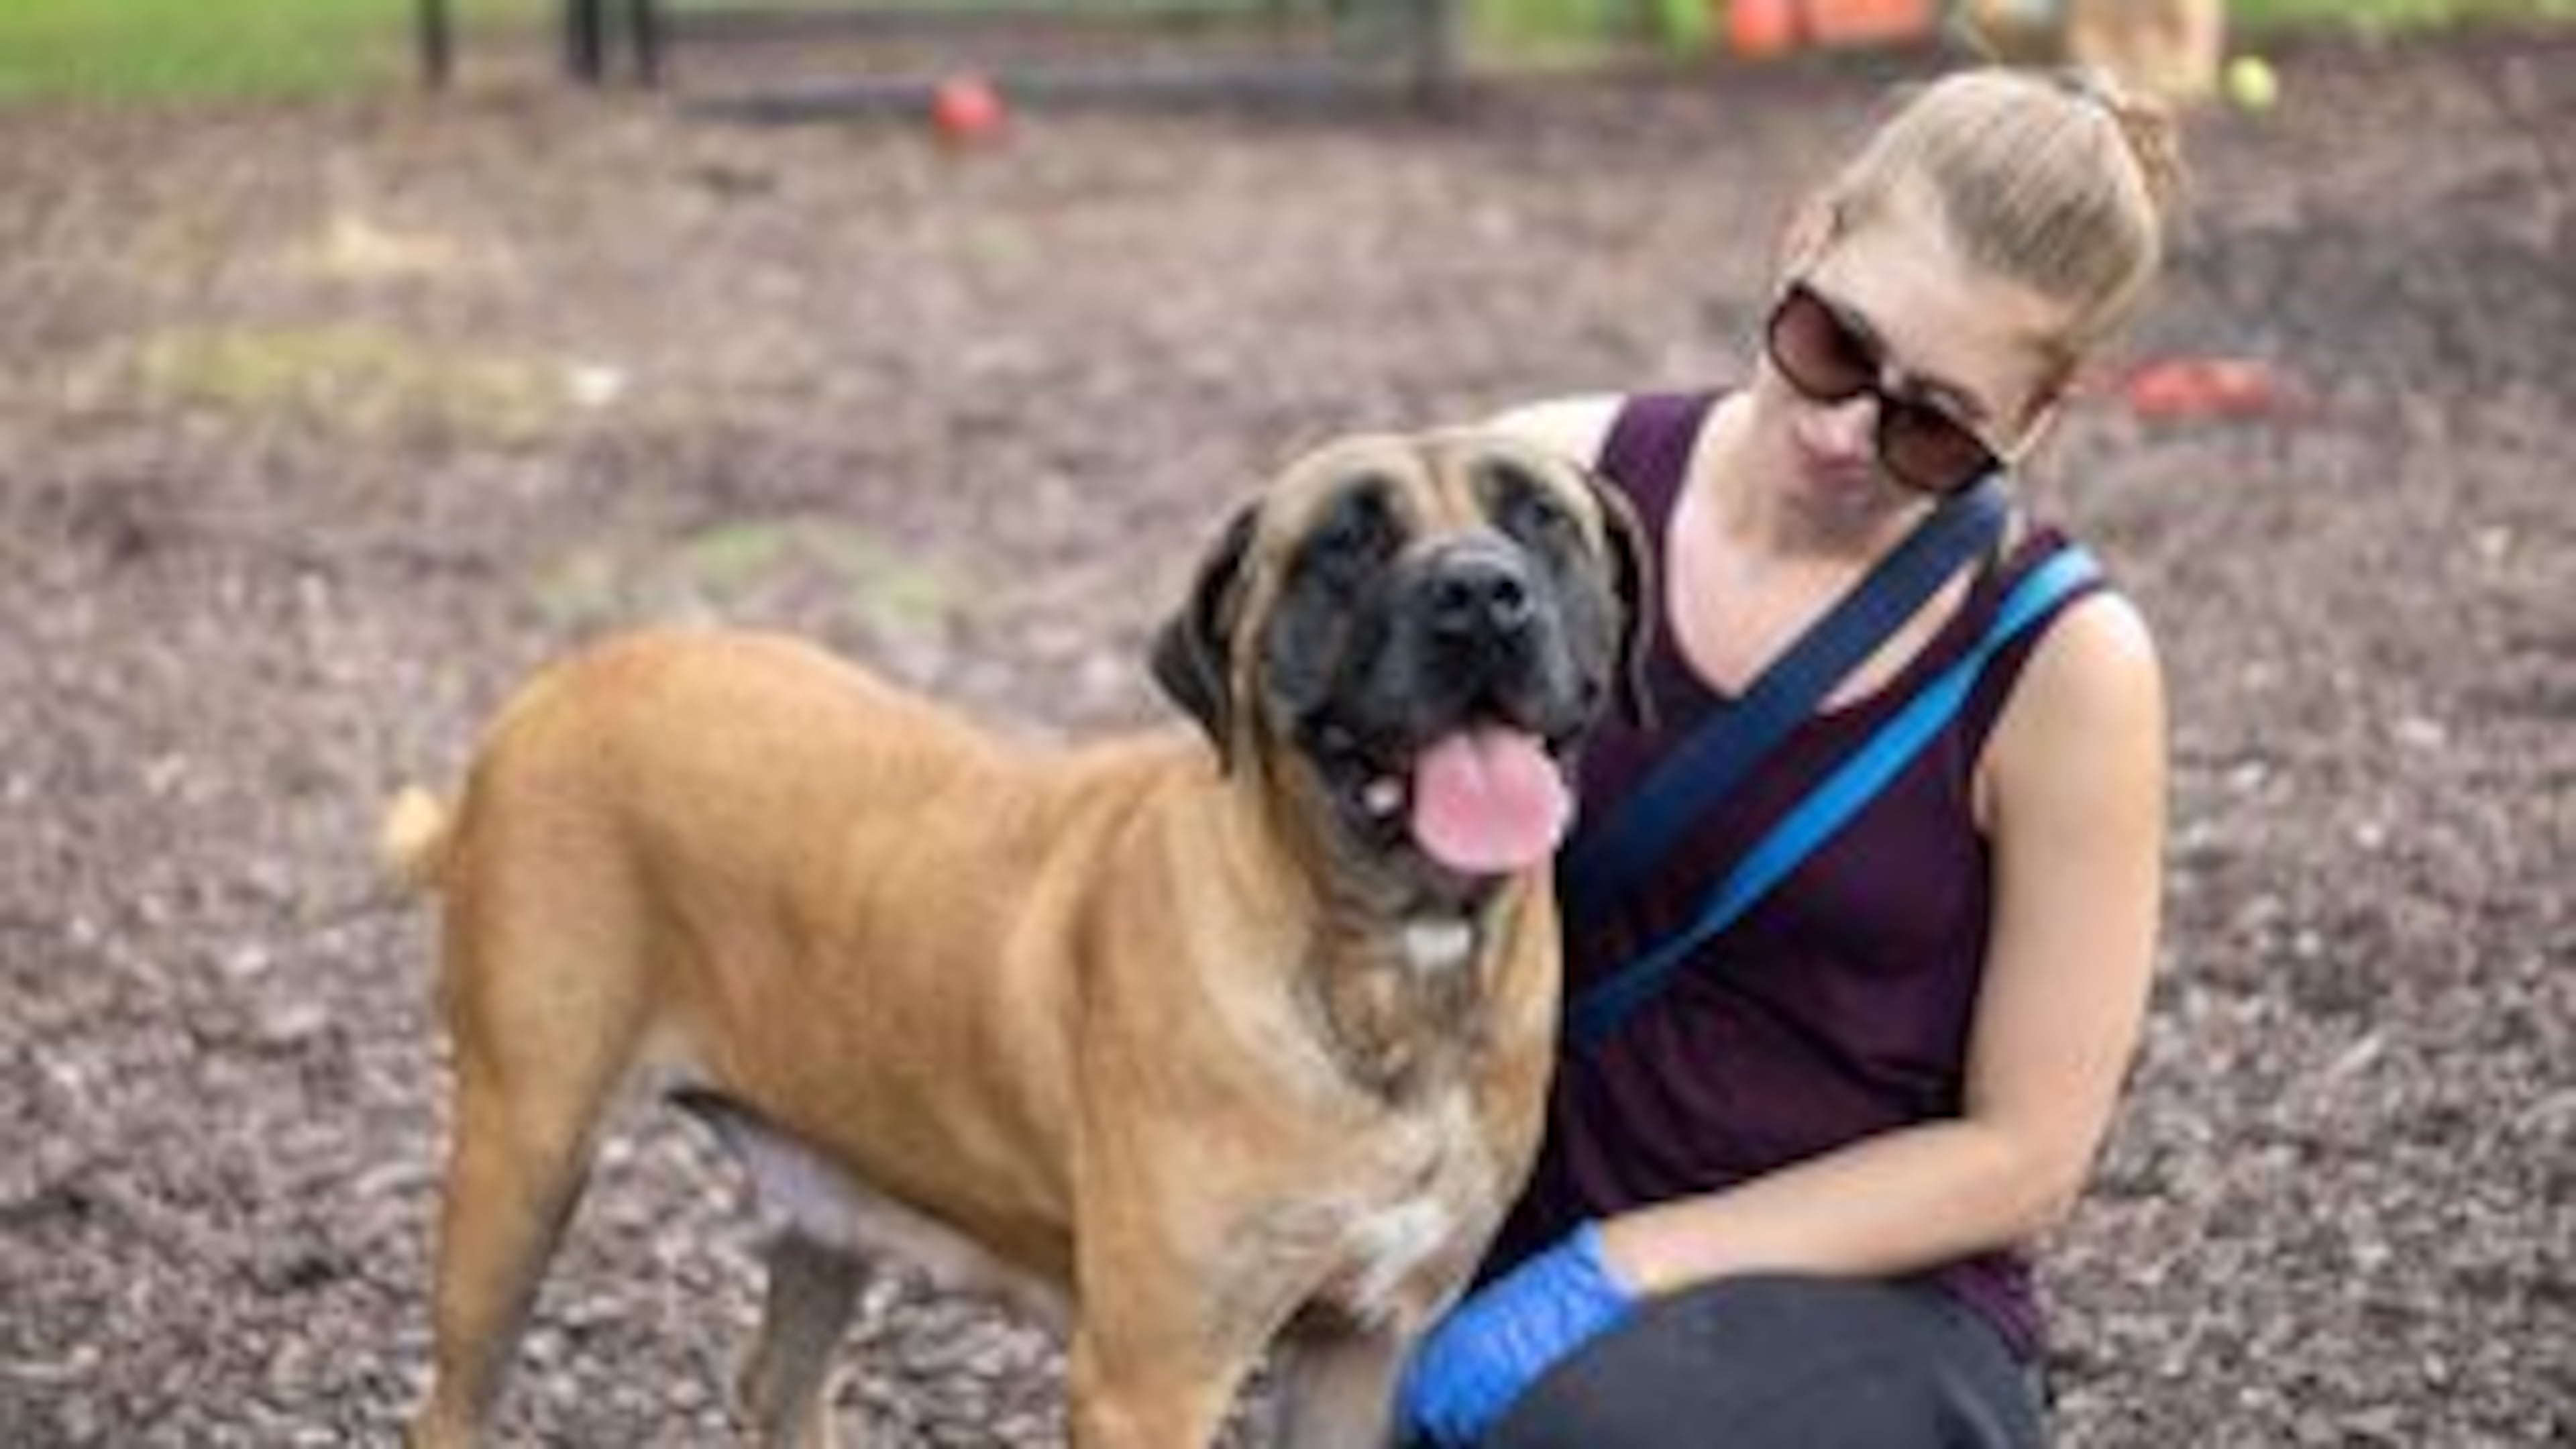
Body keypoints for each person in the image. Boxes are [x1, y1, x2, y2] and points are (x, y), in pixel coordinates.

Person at [1398, 66, 2183, 1447]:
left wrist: (1625, 1266)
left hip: (1860, 1305)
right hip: (1476, 1230)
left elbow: (2025, 1156)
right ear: (1802, 235)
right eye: (1830, 344)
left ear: (2042, 415)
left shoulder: (2062, 666)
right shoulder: (1543, 486)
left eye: (1932, 423)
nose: (1839, 435)